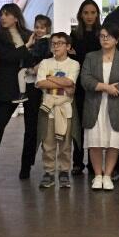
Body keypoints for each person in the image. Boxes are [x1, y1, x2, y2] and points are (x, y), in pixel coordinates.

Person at [0, 3, 33, 177]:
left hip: (30, 86)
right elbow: (7, 58)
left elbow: (32, 59)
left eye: (7, 14)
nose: (3, 17)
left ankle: (26, 168)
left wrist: (28, 50)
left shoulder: (28, 35)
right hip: (7, 87)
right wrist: (26, 48)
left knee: (31, 129)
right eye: (2, 14)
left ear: (16, 17)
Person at [81, 22, 119, 191]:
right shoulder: (91, 57)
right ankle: (97, 175)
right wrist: (106, 87)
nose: (105, 39)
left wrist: (113, 89)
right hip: (94, 104)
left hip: (117, 105)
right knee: (94, 141)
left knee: (113, 141)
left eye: (109, 36)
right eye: (102, 36)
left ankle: (108, 175)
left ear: (116, 39)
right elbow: (85, 80)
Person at [35, 32, 79, 189]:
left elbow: (70, 81)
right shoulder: (45, 62)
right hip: (48, 110)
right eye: (53, 43)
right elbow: (40, 83)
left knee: (65, 144)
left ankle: (64, 171)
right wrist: (64, 85)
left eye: (60, 43)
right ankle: (48, 172)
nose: (56, 45)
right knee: (48, 144)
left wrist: (50, 78)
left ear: (68, 46)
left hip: (65, 109)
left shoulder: (73, 64)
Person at [70, 0, 102, 175]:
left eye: (93, 12)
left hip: (96, 85)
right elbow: (72, 61)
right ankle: (77, 161)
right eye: (86, 13)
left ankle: (92, 162)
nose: (89, 16)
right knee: (79, 123)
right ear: (80, 15)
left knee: (93, 124)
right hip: (79, 85)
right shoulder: (74, 36)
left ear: (97, 15)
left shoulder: (102, 35)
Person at [19, 14, 53, 179]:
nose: (38, 30)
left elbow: (31, 60)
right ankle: (28, 164)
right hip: (33, 86)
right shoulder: (37, 42)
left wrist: (33, 65)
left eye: (42, 27)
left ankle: (32, 165)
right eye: (37, 26)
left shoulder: (45, 43)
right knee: (31, 127)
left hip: (40, 87)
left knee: (38, 128)